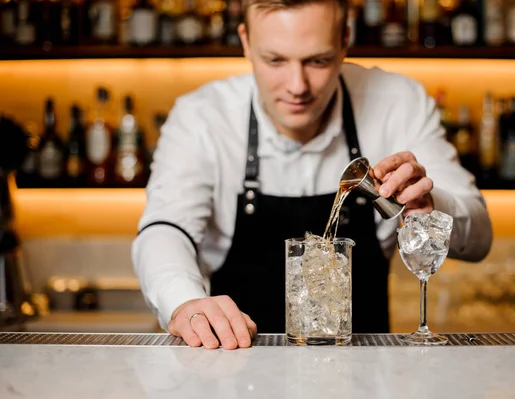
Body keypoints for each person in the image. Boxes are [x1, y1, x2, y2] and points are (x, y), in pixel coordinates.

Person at [132, 0, 493, 350]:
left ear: (345, 41)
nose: (297, 86)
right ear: (245, 42)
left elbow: (478, 239)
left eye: (318, 60)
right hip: (232, 366)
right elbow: (166, 227)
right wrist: (184, 301)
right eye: (275, 60)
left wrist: (431, 210)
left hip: (366, 373)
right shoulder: (202, 116)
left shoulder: (399, 103)